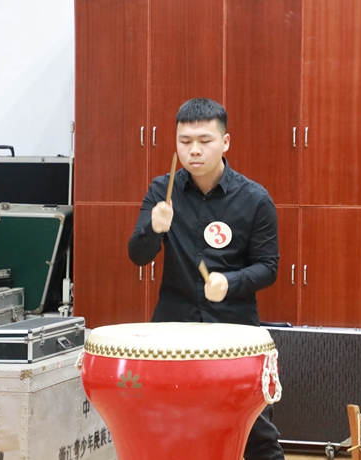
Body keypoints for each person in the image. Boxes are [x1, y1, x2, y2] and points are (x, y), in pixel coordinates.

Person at [128, 98, 284, 460]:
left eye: (204, 140)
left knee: (256, 431)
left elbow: (268, 267)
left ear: (225, 142)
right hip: (174, 326)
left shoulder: (254, 198)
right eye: (184, 141)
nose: (194, 150)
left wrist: (229, 283)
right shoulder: (162, 191)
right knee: (168, 426)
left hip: (234, 330)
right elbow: (138, 255)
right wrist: (153, 228)